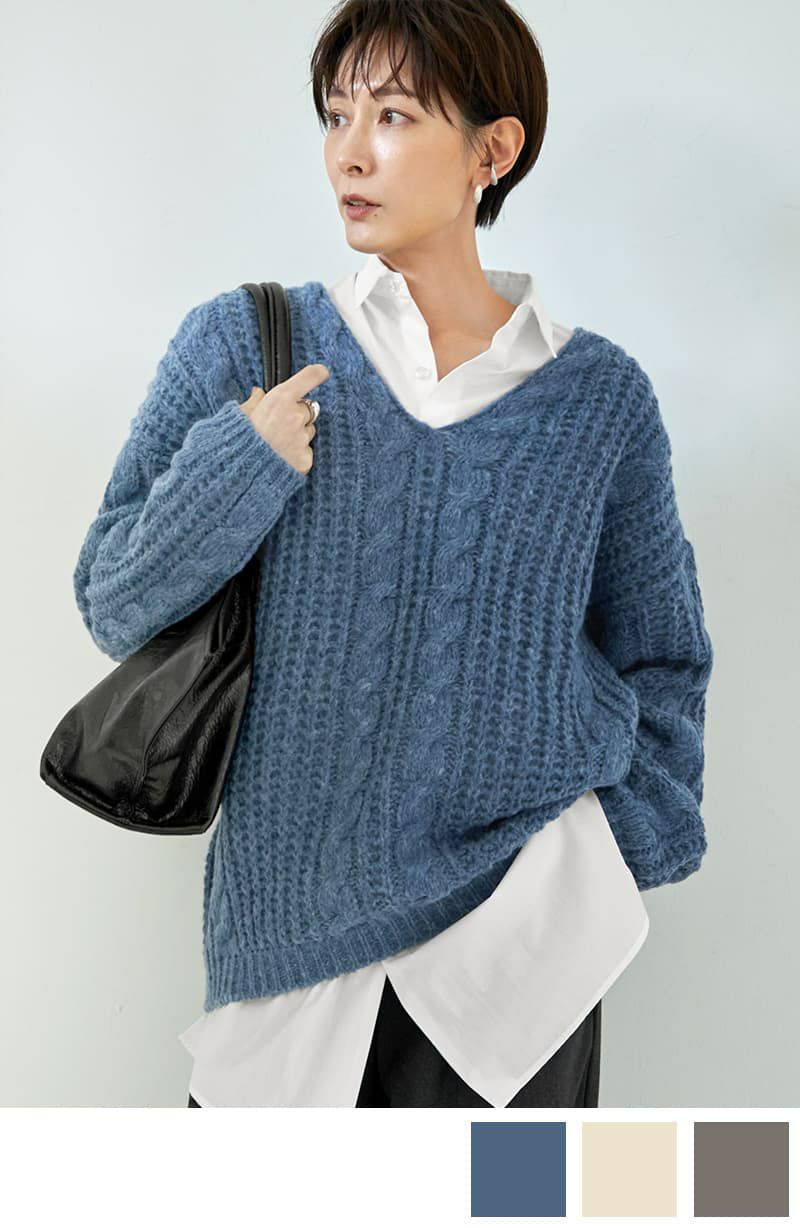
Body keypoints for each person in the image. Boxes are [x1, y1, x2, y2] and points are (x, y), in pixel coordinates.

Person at [73, 0, 714, 1109]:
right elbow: (112, 597)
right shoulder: (245, 342)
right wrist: (244, 464)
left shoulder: (599, 400)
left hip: (522, 953)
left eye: (394, 116)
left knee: (518, 1194)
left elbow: (663, 659)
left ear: (491, 151)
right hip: (290, 950)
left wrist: (613, 850)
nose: (349, 153)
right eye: (336, 116)